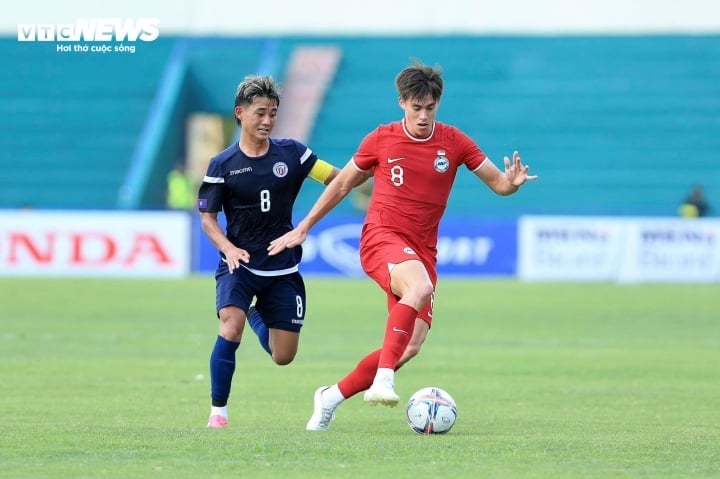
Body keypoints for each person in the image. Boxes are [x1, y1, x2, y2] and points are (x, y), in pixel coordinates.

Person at [267, 61, 538, 431]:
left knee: (409, 347)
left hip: (423, 251)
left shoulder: (455, 142)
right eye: (416, 107)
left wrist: (513, 182)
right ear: (402, 103)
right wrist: (305, 227)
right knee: (419, 287)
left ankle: (329, 397)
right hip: (382, 237)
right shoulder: (381, 138)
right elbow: (343, 183)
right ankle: (383, 379)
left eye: (430, 108)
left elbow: (498, 184)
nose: (423, 116)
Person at [197, 74, 353, 428]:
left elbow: (339, 180)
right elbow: (207, 218)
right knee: (229, 325)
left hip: (282, 268)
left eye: (273, 113)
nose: (267, 120)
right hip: (240, 264)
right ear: (240, 113)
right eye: (260, 113)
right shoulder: (221, 164)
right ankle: (218, 413)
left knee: (283, 356)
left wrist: (306, 226)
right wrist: (227, 247)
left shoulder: (295, 154)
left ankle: (255, 313)